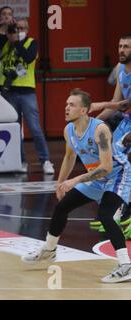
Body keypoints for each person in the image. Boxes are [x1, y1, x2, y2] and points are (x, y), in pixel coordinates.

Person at [22, 89, 131, 283]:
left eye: (71, 105)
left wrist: (75, 180)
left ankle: (125, 265)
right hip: (96, 178)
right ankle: (49, 250)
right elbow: (70, 156)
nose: (66, 108)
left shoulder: (100, 130)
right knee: (62, 207)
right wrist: (60, 182)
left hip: (117, 175)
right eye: (66, 104)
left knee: (106, 215)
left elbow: (106, 168)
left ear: (83, 111)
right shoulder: (68, 130)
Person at [0, 18, 54, 174]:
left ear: (28, 30)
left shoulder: (31, 42)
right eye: (16, 28)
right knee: (16, 129)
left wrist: (16, 42)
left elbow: (28, 57)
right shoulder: (6, 44)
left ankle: (45, 160)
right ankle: (21, 161)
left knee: (35, 128)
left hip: (26, 91)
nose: (19, 31)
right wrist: (4, 24)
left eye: (22, 28)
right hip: (9, 92)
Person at [90, 35, 131, 234]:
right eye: (120, 46)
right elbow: (117, 103)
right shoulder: (120, 69)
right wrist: (93, 123)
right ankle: (116, 210)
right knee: (111, 163)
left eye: (126, 47)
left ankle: (126, 213)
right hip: (127, 121)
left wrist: (100, 105)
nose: (122, 50)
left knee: (126, 163)